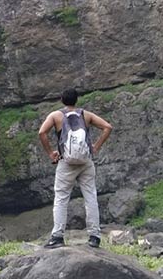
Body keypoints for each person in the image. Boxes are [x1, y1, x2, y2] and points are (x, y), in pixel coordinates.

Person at [37, 88, 113, 248]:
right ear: (76, 100)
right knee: (90, 197)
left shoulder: (55, 115)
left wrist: (51, 153)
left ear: (62, 100)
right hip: (86, 162)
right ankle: (94, 236)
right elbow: (108, 127)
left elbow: (42, 132)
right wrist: (96, 146)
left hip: (66, 163)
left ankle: (57, 236)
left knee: (61, 199)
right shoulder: (87, 115)